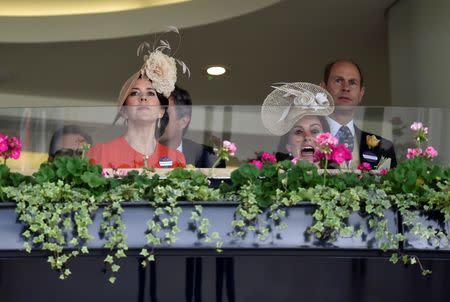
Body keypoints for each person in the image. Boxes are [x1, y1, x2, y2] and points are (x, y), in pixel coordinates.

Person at [87, 47, 186, 169]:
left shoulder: (175, 158)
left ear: (161, 110)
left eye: (150, 93)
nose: (143, 98)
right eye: (134, 93)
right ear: (124, 111)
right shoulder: (101, 153)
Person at [320, 59, 397, 168]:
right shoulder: (305, 140)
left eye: (352, 83)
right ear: (323, 88)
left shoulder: (384, 147)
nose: (346, 88)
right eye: (338, 80)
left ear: (361, 93)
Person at [261, 82, 334, 163]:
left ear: (327, 141)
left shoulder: (340, 174)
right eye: (298, 132)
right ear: (288, 146)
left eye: (314, 131)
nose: (307, 137)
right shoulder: (277, 175)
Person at [159, 85, 220, 168]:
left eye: (165, 115)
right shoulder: (142, 152)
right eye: (155, 113)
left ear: (183, 122)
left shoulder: (207, 157)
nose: (157, 119)